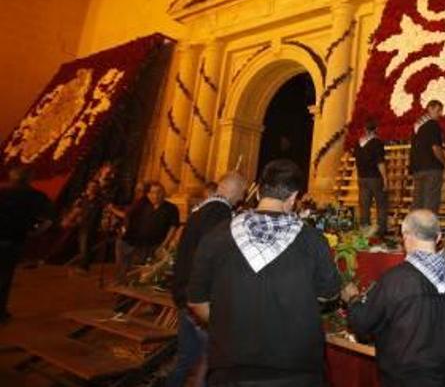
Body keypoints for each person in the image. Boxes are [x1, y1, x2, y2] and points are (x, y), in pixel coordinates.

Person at [187, 159, 340, 386]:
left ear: (257, 191)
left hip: (231, 369)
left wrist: (230, 323)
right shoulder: (313, 240)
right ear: (293, 198)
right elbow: (328, 295)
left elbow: (197, 302)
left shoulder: (216, 236)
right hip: (296, 370)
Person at [342, 209, 445, 387]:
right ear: (439, 236)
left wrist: (353, 299)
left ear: (405, 236)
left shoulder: (396, 279)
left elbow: (363, 323)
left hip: (408, 379)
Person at [166, 172, 246, 387]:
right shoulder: (220, 215)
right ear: (235, 190)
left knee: (187, 358)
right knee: (209, 362)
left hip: (185, 294)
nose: (242, 198)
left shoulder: (200, 211)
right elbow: (215, 260)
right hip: (202, 300)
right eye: (242, 192)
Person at [0, 168, 55, 324]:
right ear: (30, 178)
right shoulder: (36, 197)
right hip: (12, 241)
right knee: (5, 277)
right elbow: (48, 220)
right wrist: (35, 233)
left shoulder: (2, 193)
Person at [116, 183, 179, 282]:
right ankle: (128, 290)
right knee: (135, 269)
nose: (156, 195)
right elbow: (129, 217)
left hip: (156, 245)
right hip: (140, 244)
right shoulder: (143, 206)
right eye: (153, 192)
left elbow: (173, 227)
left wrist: (164, 244)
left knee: (150, 272)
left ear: (164, 193)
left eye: (159, 192)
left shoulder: (171, 208)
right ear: (148, 195)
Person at [410, 100, 445, 214]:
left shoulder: (417, 126)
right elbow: (436, 148)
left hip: (417, 169)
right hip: (432, 169)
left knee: (417, 202)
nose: (440, 114)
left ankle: (413, 230)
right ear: (429, 108)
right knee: (431, 203)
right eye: (438, 110)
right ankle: (427, 231)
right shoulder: (433, 125)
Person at [355, 118, 389, 237]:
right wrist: (385, 179)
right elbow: (380, 162)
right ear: (376, 129)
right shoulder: (377, 142)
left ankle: (365, 229)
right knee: (381, 204)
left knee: (364, 205)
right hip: (375, 178)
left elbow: (357, 162)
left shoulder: (358, 143)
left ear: (365, 129)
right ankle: (381, 230)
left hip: (362, 178)